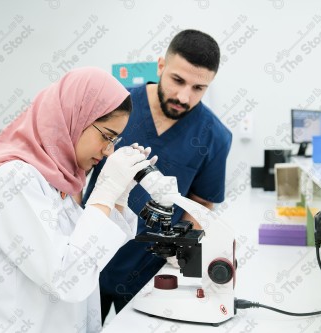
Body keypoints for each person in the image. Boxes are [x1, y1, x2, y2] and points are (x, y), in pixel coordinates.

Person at [0, 67, 157, 333]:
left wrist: (119, 197)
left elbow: (87, 257)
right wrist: (105, 192)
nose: (109, 150)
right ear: (74, 117)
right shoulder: (11, 180)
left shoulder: (58, 182)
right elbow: (67, 279)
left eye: (115, 140)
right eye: (106, 136)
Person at [83, 29, 233, 322]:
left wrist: (180, 253)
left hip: (152, 271)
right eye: (178, 80)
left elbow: (201, 204)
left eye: (198, 88)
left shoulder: (215, 137)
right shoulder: (115, 105)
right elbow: (76, 174)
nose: (183, 96)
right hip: (90, 256)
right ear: (161, 66)